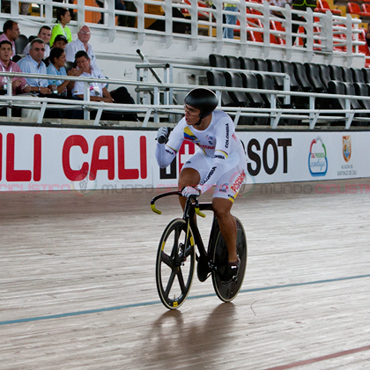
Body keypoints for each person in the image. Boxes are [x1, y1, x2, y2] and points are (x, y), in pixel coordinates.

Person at [155, 88, 247, 282]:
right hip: (207, 158)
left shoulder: (222, 123)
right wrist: (160, 143)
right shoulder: (184, 124)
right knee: (184, 180)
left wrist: (200, 188)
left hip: (231, 163)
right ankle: (190, 230)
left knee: (220, 208)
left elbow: (220, 163)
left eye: (191, 111)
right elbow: (164, 162)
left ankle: (233, 258)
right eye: (185, 109)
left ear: (204, 114)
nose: (185, 114)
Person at [72, 50, 138, 121]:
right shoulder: (77, 74)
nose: (81, 65)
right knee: (116, 114)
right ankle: (128, 120)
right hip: (93, 104)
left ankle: (134, 118)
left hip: (101, 99)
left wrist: (110, 100)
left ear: (88, 60)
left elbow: (102, 87)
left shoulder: (95, 69)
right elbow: (79, 95)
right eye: (78, 62)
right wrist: (101, 99)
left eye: (83, 61)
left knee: (122, 90)